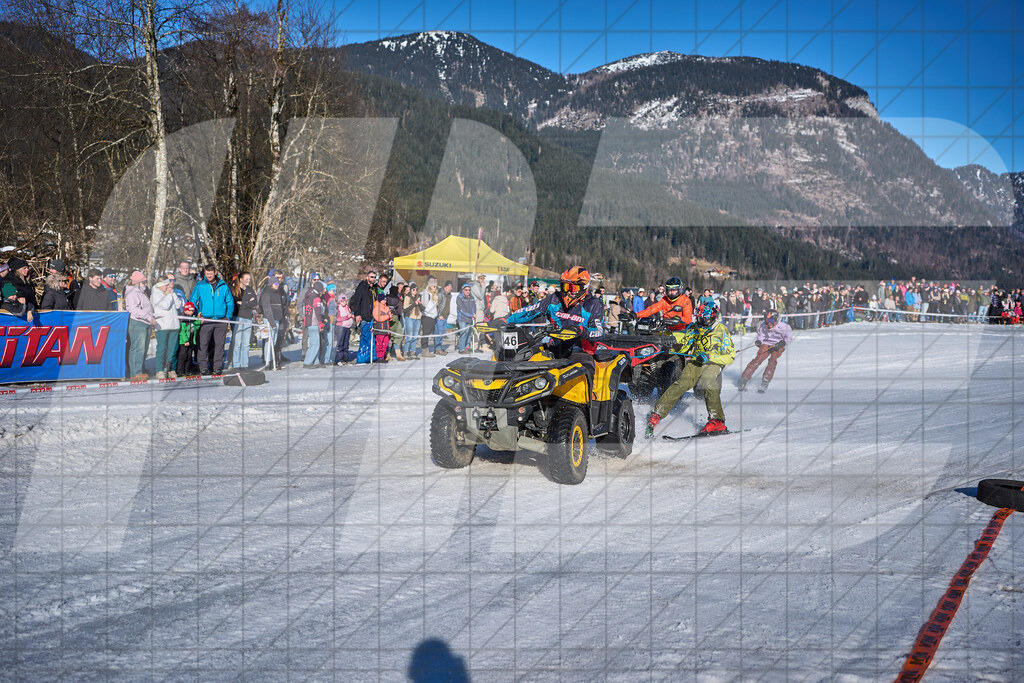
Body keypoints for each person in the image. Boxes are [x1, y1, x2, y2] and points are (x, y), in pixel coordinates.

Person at [645, 301, 736, 438]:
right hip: (696, 360)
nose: (701, 322)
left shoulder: (721, 330)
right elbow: (685, 343)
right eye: (699, 318)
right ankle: (657, 413)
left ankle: (717, 420)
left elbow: (730, 356)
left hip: (714, 362)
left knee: (707, 381)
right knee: (682, 383)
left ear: (713, 318)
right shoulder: (695, 327)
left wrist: (709, 356)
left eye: (704, 319)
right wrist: (673, 348)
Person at [501, 266, 604, 375]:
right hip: (555, 347)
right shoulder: (554, 298)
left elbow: (599, 332)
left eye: (573, 288)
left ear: (584, 287)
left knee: (582, 371)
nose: (568, 292)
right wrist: (505, 320)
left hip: (580, 351)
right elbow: (530, 310)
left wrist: (582, 330)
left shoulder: (592, 304)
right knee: (526, 360)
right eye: (565, 287)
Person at [189, 264, 234, 375]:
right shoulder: (200, 285)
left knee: (219, 345)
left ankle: (217, 367)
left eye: (211, 273)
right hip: (205, 320)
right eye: (207, 274)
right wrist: (197, 313)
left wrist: (228, 317)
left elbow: (230, 302)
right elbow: (192, 300)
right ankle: (203, 367)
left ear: (215, 273)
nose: (209, 276)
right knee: (203, 345)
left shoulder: (223, 285)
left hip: (221, 320)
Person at [737, 309, 793, 393]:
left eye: (771, 321)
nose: (769, 323)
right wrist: (759, 341)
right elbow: (761, 336)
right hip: (766, 344)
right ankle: (744, 379)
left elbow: (789, 337)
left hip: (777, 345)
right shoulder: (763, 325)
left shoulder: (784, 327)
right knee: (758, 359)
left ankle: (765, 381)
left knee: (772, 361)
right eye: (767, 320)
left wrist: (783, 343)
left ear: (776, 320)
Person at [125, 270, 154, 380]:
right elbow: (135, 310)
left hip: (145, 322)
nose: (145, 284)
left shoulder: (142, 293)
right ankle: (135, 372)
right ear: (137, 283)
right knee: (137, 348)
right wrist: (149, 317)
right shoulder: (132, 293)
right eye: (143, 282)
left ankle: (140, 369)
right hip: (137, 323)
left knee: (144, 348)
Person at [151, 277, 181, 379]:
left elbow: (178, 305)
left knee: (172, 350)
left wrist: (173, 294)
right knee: (162, 349)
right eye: (166, 285)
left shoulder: (171, 293)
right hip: (162, 326)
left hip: (174, 325)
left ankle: (171, 369)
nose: (169, 286)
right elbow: (166, 305)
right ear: (160, 285)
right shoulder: (155, 294)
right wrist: (169, 294)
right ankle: (159, 369)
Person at [230, 272, 258, 370]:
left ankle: (244, 364)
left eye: (249, 279)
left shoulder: (250, 290)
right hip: (237, 317)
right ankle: (236, 364)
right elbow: (235, 303)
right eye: (246, 279)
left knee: (246, 344)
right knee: (237, 343)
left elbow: (254, 302)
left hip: (248, 318)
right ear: (241, 279)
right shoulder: (234, 290)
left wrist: (244, 303)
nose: (248, 281)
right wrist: (248, 302)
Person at [258, 274, 286, 369]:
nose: (277, 285)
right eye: (275, 283)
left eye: (278, 283)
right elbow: (267, 310)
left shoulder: (276, 293)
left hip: (277, 320)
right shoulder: (266, 293)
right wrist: (272, 322)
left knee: (273, 341)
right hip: (270, 320)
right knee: (269, 341)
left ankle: (272, 360)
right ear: (271, 284)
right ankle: (268, 361)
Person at [350, 269, 378, 363]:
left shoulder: (374, 289)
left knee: (371, 338)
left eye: (374, 277)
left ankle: (371, 357)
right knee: (365, 338)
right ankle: (362, 358)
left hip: (372, 316)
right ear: (367, 277)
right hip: (364, 316)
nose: (373, 279)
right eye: (371, 277)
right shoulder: (362, 287)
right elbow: (357, 301)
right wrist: (357, 314)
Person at [302, 280, 327, 368]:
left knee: (315, 342)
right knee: (315, 344)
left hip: (308, 322)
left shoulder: (308, 296)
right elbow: (317, 312)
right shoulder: (316, 298)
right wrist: (320, 323)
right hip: (314, 322)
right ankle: (308, 362)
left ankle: (316, 361)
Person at [176, 302, 202, 376]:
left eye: (192, 311)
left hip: (191, 341)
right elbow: (182, 331)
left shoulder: (192, 318)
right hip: (184, 342)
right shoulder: (183, 319)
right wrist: (185, 340)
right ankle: (180, 371)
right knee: (182, 357)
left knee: (189, 356)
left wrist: (198, 319)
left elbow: (196, 326)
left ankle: (187, 370)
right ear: (185, 310)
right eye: (189, 310)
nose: (191, 312)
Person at [455, 283, 476, 353]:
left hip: (469, 318)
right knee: (463, 333)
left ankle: (466, 346)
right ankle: (461, 349)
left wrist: (474, 313)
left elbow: (473, 307)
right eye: (466, 290)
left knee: (468, 333)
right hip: (462, 318)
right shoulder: (459, 297)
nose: (468, 291)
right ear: (463, 290)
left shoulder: (471, 297)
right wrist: (471, 315)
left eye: (469, 290)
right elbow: (462, 310)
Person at [334, 294, 354, 364]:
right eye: (342, 301)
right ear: (339, 301)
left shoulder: (347, 307)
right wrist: (347, 317)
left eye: (345, 300)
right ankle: (339, 359)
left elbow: (350, 315)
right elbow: (338, 318)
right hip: (341, 327)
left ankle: (345, 358)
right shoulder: (338, 308)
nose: (344, 302)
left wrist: (352, 316)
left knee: (346, 344)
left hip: (347, 327)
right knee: (340, 344)